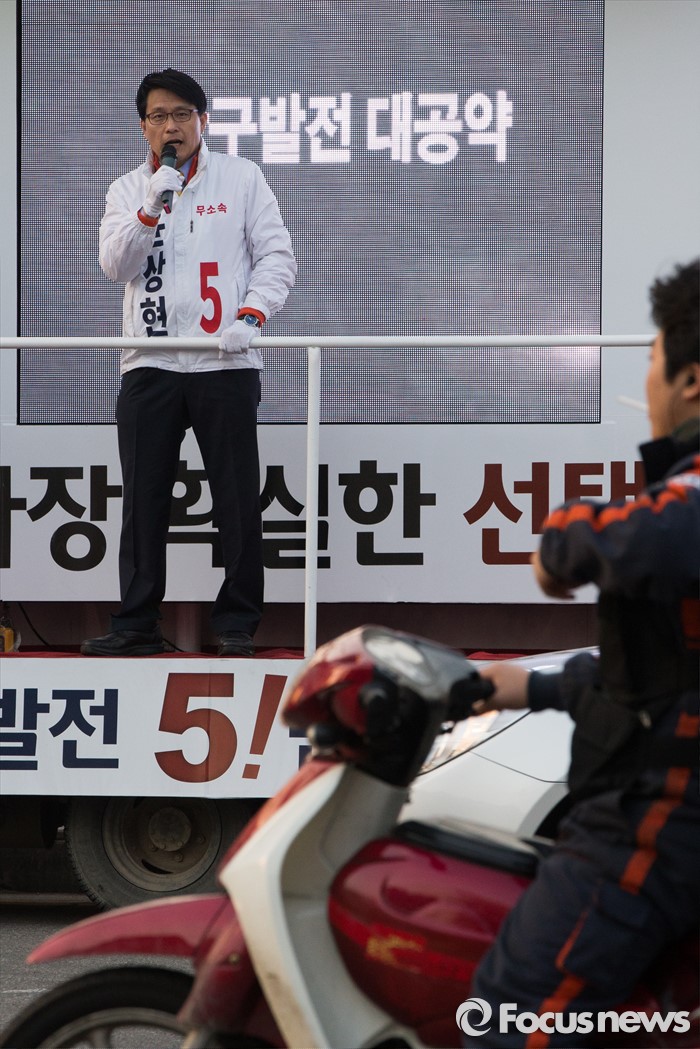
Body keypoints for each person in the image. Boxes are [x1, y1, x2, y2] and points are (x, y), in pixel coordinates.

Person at [464, 258, 700, 1048]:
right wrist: (526, 687)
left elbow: (657, 533)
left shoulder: (685, 502)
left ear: (691, 380)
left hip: (657, 824)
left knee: (508, 1016)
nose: (647, 379)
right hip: (659, 805)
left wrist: (562, 537)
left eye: (652, 357)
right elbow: (665, 677)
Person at [81, 69, 296, 658]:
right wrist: (152, 205)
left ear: (204, 120)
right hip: (149, 362)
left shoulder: (242, 177)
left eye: (182, 114)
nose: (170, 126)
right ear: (143, 127)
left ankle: (237, 625)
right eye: (158, 116)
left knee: (236, 496)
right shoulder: (129, 188)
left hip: (223, 361)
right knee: (144, 498)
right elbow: (115, 266)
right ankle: (136, 624)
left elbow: (276, 255)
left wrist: (251, 316)